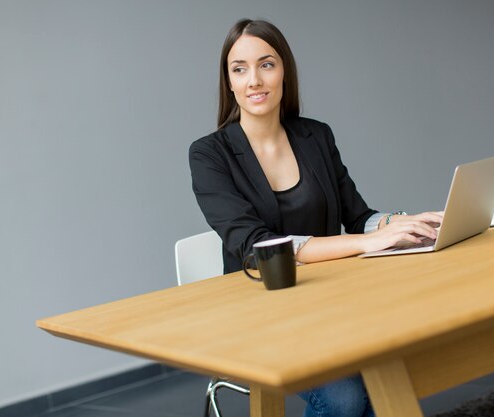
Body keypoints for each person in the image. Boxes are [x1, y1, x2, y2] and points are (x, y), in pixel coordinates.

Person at [189, 18, 443, 417]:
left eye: (266, 64)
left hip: (331, 299)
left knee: (391, 374)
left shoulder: (315, 136)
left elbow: (358, 216)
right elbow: (257, 246)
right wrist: (365, 243)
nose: (254, 79)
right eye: (240, 69)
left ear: (284, 71)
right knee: (345, 397)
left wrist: (405, 223)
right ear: (230, 83)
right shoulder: (209, 154)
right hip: (257, 312)